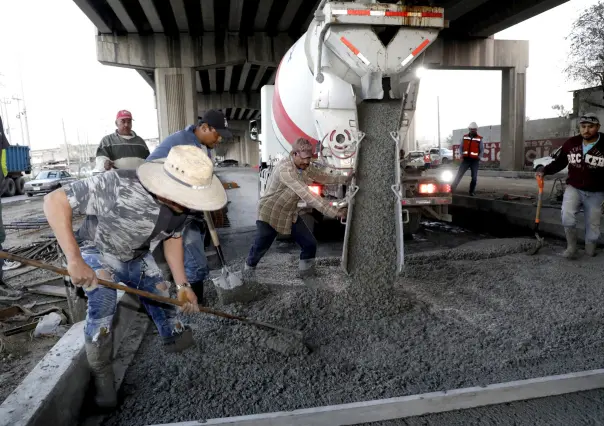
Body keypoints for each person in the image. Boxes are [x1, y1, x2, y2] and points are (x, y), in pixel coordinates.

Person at [43, 145, 227, 409]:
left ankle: (177, 345)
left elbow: (173, 240)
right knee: (104, 303)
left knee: (162, 293)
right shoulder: (119, 183)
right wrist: (74, 260)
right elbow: (54, 201)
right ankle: (102, 377)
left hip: (134, 256)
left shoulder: (185, 209)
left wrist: (183, 285)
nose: (187, 204)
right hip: (95, 250)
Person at [147, 110, 232, 303]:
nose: (218, 140)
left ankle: (192, 291)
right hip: (173, 206)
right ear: (204, 127)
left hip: (188, 205)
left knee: (193, 250)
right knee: (194, 256)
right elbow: (151, 169)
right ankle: (194, 302)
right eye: (216, 134)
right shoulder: (183, 144)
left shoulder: (199, 144)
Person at [245, 138, 349, 278]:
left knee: (310, 244)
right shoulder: (285, 170)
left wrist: (344, 178)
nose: (307, 162)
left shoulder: (304, 166)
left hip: (289, 213)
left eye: (309, 158)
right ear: (294, 154)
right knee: (260, 247)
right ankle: (248, 273)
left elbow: (322, 176)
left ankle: (306, 274)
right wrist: (335, 212)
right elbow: (307, 195)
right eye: (304, 158)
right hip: (270, 213)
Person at [536, 113, 604, 258]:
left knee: (593, 225)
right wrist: (544, 170)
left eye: (591, 127)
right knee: (567, 215)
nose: (586, 130)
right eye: (583, 126)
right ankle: (571, 248)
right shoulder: (571, 143)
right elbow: (560, 162)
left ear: (598, 127)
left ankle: (590, 248)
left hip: (596, 191)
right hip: (574, 187)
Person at [451, 122, 483, 196]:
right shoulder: (465, 137)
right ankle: (452, 189)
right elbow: (461, 147)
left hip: (474, 161)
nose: (472, 131)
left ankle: (471, 191)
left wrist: (479, 157)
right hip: (466, 160)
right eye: (471, 129)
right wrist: (462, 155)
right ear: (469, 129)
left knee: (474, 177)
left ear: (476, 130)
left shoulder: (479, 139)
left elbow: (482, 150)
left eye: (474, 129)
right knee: (459, 175)